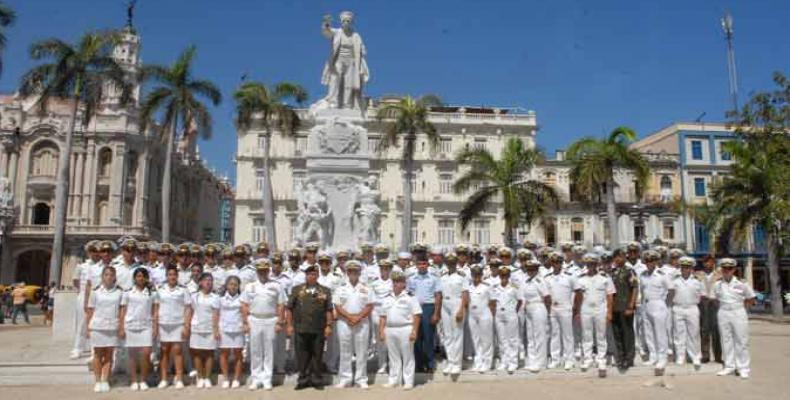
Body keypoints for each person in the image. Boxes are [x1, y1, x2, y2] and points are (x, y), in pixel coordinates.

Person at [286, 265, 334, 390]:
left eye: (314, 274)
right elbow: (289, 308)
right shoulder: (297, 289)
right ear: (306, 276)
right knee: (302, 355)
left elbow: (329, 309)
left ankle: (317, 380)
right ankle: (303, 379)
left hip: (318, 328)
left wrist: (329, 325)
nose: (311, 276)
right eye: (309, 274)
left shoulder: (325, 290)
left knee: (317, 355)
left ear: (317, 276)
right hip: (301, 328)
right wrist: (289, 325)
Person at [241, 260, 287, 391]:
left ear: (269, 271)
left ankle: (267, 378)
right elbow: (244, 305)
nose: (262, 273)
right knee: (255, 350)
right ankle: (256, 378)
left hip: (271, 320)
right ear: (257, 272)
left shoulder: (276, 285)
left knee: (269, 350)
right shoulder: (250, 286)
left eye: (265, 271)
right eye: (260, 271)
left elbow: (281, 305)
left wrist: (279, 321)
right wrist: (245, 322)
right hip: (254, 319)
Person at [334, 260, 374, 389]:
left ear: (359, 272)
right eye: (350, 271)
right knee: (345, 351)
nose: (353, 273)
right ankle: (345, 378)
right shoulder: (341, 288)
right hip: (344, 322)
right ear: (347, 272)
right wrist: (350, 317)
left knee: (362, 351)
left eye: (355, 271)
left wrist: (358, 317)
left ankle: (361, 379)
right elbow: (337, 305)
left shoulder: (367, 288)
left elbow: (370, 305)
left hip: (361, 322)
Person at [378, 271, 421, 390]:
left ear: (404, 283)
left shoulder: (410, 297)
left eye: (399, 281)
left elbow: (417, 315)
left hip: (405, 328)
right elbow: (382, 316)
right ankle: (394, 380)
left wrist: (414, 331)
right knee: (393, 357)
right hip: (390, 329)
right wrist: (381, 331)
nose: (396, 284)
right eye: (394, 281)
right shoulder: (387, 297)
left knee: (407, 356)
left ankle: (408, 381)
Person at [713, 258, 755, 379]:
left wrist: (742, 309)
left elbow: (751, 298)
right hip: (723, 312)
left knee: (741, 341)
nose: (727, 271)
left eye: (729, 269)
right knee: (726, 340)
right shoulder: (717, 284)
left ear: (734, 270)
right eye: (724, 268)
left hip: (738, 312)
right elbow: (716, 299)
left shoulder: (742, 283)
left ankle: (743, 368)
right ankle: (729, 366)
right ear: (721, 269)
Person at [576, 253, 615, 377]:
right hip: (585, 309)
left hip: (600, 309)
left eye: (593, 264)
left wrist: (609, 312)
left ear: (597, 264)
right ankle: (587, 359)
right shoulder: (580, 279)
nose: (590, 266)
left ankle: (601, 359)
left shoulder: (605, 278)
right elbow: (578, 297)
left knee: (601, 335)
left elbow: (610, 296)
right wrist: (577, 311)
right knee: (586, 335)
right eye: (588, 264)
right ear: (586, 265)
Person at [120, 267, 158, 391]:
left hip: (146, 325)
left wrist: (155, 327)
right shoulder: (128, 292)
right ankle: (134, 380)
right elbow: (123, 310)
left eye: (142, 276)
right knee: (132, 355)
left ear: (146, 278)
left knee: (146, 354)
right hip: (131, 325)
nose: (140, 278)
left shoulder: (152, 292)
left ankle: (143, 379)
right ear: (134, 278)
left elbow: (155, 311)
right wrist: (121, 327)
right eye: (138, 276)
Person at [86, 266, 123, 392]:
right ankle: (97, 380)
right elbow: (90, 310)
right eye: (106, 274)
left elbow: (121, 310)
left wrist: (120, 327)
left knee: (109, 355)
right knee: (97, 354)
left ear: (115, 277)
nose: (109, 277)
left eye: (111, 275)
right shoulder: (95, 291)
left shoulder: (119, 292)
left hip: (112, 325)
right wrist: (88, 327)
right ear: (102, 276)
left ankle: (105, 379)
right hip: (97, 325)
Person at [639, 250, 675, 376]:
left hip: (659, 303)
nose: (649, 263)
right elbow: (642, 290)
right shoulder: (642, 275)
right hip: (646, 304)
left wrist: (665, 303)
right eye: (647, 261)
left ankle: (662, 357)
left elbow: (671, 290)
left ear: (656, 262)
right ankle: (653, 356)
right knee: (648, 332)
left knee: (660, 332)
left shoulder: (662, 275)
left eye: (652, 261)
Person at [156, 265, 192, 389]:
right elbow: (156, 307)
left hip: (178, 323)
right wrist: (155, 325)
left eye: (174, 275)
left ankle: (179, 378)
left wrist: (186, 325)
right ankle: (164, 378)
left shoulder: (183, 290)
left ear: (177, 276)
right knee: (164, 351)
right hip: (163, 323)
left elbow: (188, 308)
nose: (172, 277)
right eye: (170, 275)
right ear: (166, 276)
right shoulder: (160, 289)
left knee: (177, 351)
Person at [544, 252, 579, 370]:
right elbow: (545, 295)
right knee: (554, 334)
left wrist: (576, 308)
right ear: (551, 263)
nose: (556, 265)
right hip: (553, 309)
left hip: (566, 308)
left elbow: (578, 292)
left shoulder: (569, 276)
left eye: (558, 262)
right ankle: (555, 359)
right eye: (554, 262)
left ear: (561, 263)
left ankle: (569, 359)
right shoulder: (547, 278)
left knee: (567, 335)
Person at [406, 258, 441, 373]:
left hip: (428, 308)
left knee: (428, 337)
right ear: (416, 265)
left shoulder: (433, 278)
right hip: (415, 309)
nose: (422, 266)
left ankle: (430, 364)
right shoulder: (411, 279)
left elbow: (438, 296)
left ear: (427, 265)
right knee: (416, 337)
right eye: (419, 263)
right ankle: (418, 364)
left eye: (424, 263)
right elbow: (409, 295)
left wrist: (436, 313)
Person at [438, 253, 469, 375]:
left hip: (457, 303)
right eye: (449, 262)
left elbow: (465, 295)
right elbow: (439, 294)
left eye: (453, 262)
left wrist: (462, 309)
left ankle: (457, 364)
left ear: (456, 263)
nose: (451, 264)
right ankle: (450, 361)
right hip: (445, 305)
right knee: (448, 335)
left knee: (457, 335)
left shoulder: (462, 276)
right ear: (446, 263)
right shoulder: (442, 276)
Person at [189, 273, 220, 389]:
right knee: (197, 353)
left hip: (209, 328)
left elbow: (216, 315)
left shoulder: (215, 297)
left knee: (209, 353)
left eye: (210, 280)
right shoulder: (194, 296)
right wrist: (188, 326)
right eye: (206, 280)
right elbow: (190, 312)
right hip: (197, 327)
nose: (208, 282)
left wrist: (216, 330)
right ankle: (200, 377)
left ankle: (207, 377)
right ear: (200, 282)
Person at [519, 259, 551, 373]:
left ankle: (541, 363)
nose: (530, 271)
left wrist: (548, 312)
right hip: (528, 309)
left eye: (533, 269)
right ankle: (532, 361)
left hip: (538, 307)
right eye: (529, 269)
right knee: (530, 336)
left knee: (539, 335)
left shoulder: (539, 281)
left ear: (537, 270)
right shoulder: (525, 281)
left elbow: (547, 297)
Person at [673, 256, 704, 370]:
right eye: (683, 267)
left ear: (691, 268)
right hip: (678, 308)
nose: (685, 269)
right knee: (679, 334)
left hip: (692, 308)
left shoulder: (697, 281)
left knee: (694, 333)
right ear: (680, 268)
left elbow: (702, 294)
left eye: (688, 267)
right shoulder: (675, 280)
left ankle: (695, 356)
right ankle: (680, 356)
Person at [610, 248, 638, 370]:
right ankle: (620, 357)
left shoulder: (629, 271)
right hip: (615, 308)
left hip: (625, 307)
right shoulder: (612, 272)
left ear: (624, 258)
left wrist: (631, 305)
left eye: (620, 256)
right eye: (615, 256)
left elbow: (635, 288)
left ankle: (629, 358)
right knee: (617, 334)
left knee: (627, 333)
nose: (617, 259)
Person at [492, 267, 521, 373]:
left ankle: (513, 362)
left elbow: (520, 301)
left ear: (509, 276)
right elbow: (493, 301)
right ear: (499, 276)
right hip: (499, 314)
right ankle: (504, 361)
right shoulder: (495, 287)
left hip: (510, 314)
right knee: (501, 339)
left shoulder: (514, 287)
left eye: (506, 276)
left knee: (512, 339)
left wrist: (513, 311)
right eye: (502, 275)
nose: (504, 278)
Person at [467, 265, 495, 373]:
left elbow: (492, 302)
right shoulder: (469, 287)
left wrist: (491, 316)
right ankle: (478, 362)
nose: (476, 277)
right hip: (472, 315)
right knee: (476, 340)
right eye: (474, 275)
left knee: (486, 340)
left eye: (478, 275)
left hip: (485, 314)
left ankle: (487, 363)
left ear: (482, 275)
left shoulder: (487, 286)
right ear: (472, 275)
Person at [219, 275, 244, 389]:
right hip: (224, 329)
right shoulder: (221, 299)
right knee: (224, 354)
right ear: (226, 286)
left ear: (238, 286)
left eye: (235, 284)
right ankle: (225, 378)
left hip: (238, 329)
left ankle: (236, 379)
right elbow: (217, 314)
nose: (233, 286)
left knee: (238, 354)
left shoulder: (242, 299)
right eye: (231, 284)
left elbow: (244, 314)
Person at [369, 258, 394, 373]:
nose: (384, 271)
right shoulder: (374, 283)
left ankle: (393, 364)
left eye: (387, 269)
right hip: (377, 312)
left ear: (390, 270)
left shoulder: (394, 282)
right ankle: (382, 364)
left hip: (391, 312)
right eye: (382, 268)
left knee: (391, 339)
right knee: (380, 340)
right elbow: (371, 298)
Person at [699, 254, 722, 363]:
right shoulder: (698, 275)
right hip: (703, 302)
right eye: (705, 262)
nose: (708, 264)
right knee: (704, 329)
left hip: (715, 302)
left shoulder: (719, 275)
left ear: (713, 263)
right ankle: (705, 355)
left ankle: (718, 356)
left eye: (710, 262)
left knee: (716, 330)